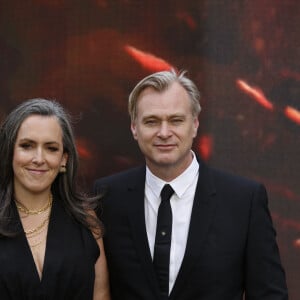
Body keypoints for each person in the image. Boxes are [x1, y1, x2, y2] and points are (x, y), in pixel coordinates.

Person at [93, 69, 288, 300]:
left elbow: (269, 294)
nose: (164, 133)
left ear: (195, 125)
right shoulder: (106, 197)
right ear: (134, 128)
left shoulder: (244, 200)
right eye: (151, 121)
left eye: (176, 120)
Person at [0, 98, 110, 299]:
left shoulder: (86, 222)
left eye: (51, 148)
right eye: (27, 145)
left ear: (63, 159)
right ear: (9, 152)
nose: (39, 158)